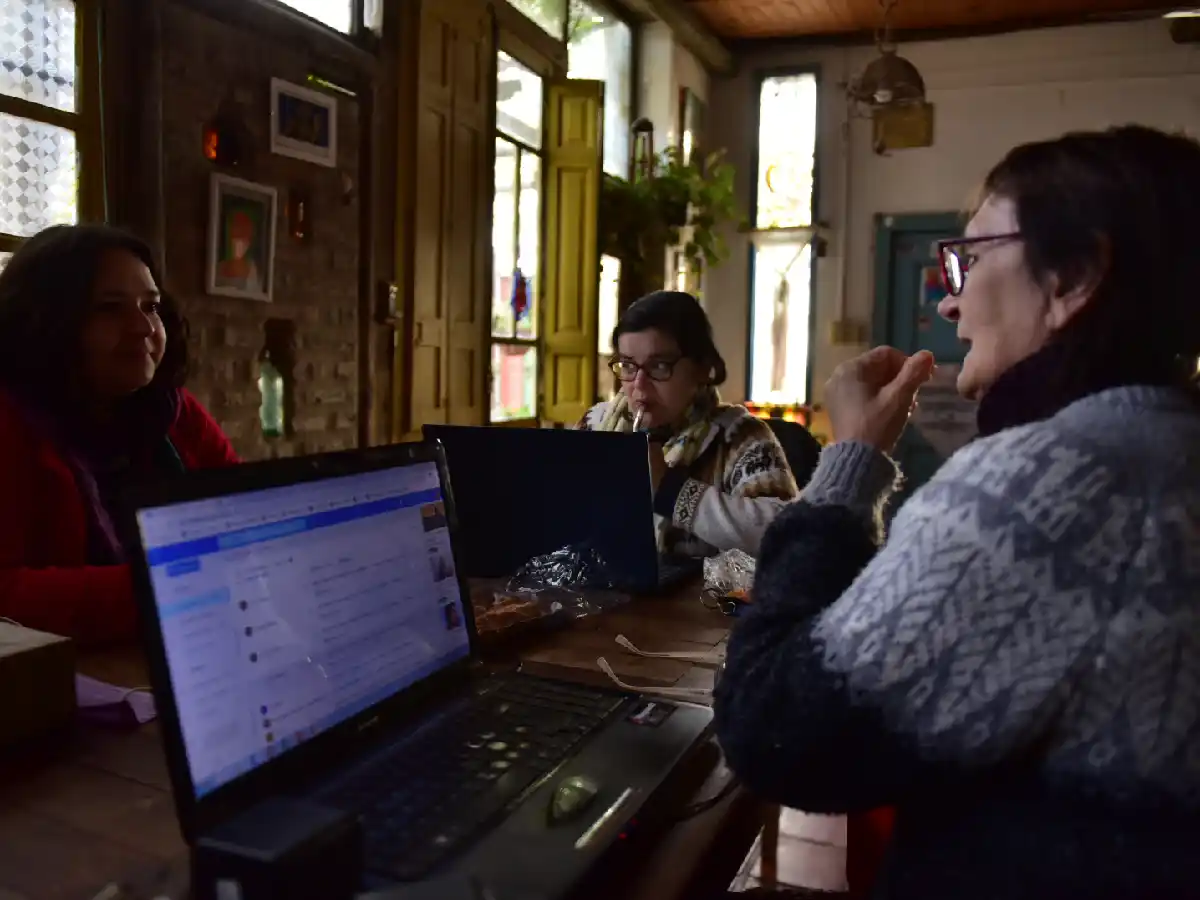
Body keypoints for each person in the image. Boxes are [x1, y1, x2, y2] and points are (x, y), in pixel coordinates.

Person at [714, 124, 1200, 899]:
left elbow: (778, 728)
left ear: (1075, 274)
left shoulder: (1056, 476)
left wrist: (847, 465)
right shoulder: (1167, 444)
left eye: (969, 258)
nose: (948, 298)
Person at [0, 225, 239, 645]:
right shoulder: (12, 423)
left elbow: (242, 518)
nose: (144, 328)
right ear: (43, 319)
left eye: (151, 306)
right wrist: (166, 585)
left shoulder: (174, 412)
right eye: (110, 308)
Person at [578, 291, 797, 557]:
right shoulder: (595, 426)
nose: (638, 386)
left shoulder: (741, 438)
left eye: (659, 366)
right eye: (628, 366)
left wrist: (671, 490)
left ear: (702, 369)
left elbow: (788, 538)